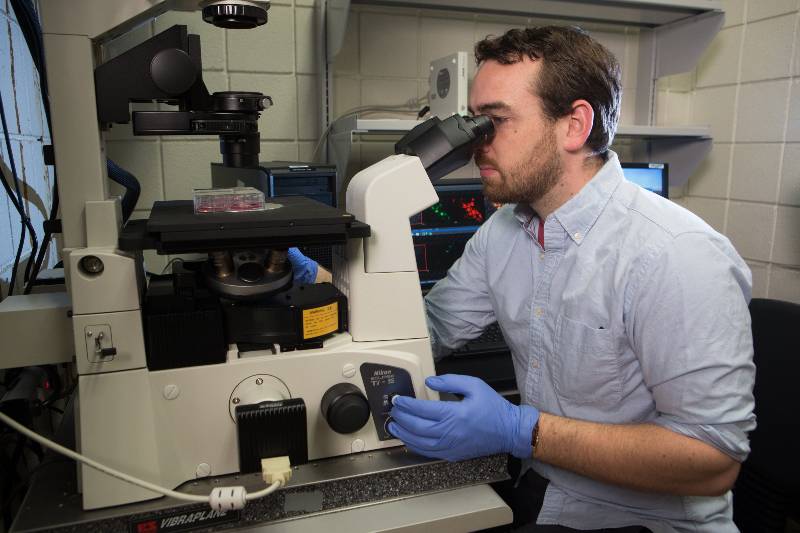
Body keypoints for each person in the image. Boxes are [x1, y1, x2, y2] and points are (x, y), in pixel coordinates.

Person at [385, 26, 756, 532]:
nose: (477, 144)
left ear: (574, 126)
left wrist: (524, 429)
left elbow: (711, 461)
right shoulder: (503, 231)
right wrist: (343, 292)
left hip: (643, 519)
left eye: (494, 121)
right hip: (541, 493)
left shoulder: (675, 255)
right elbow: (429, 330)